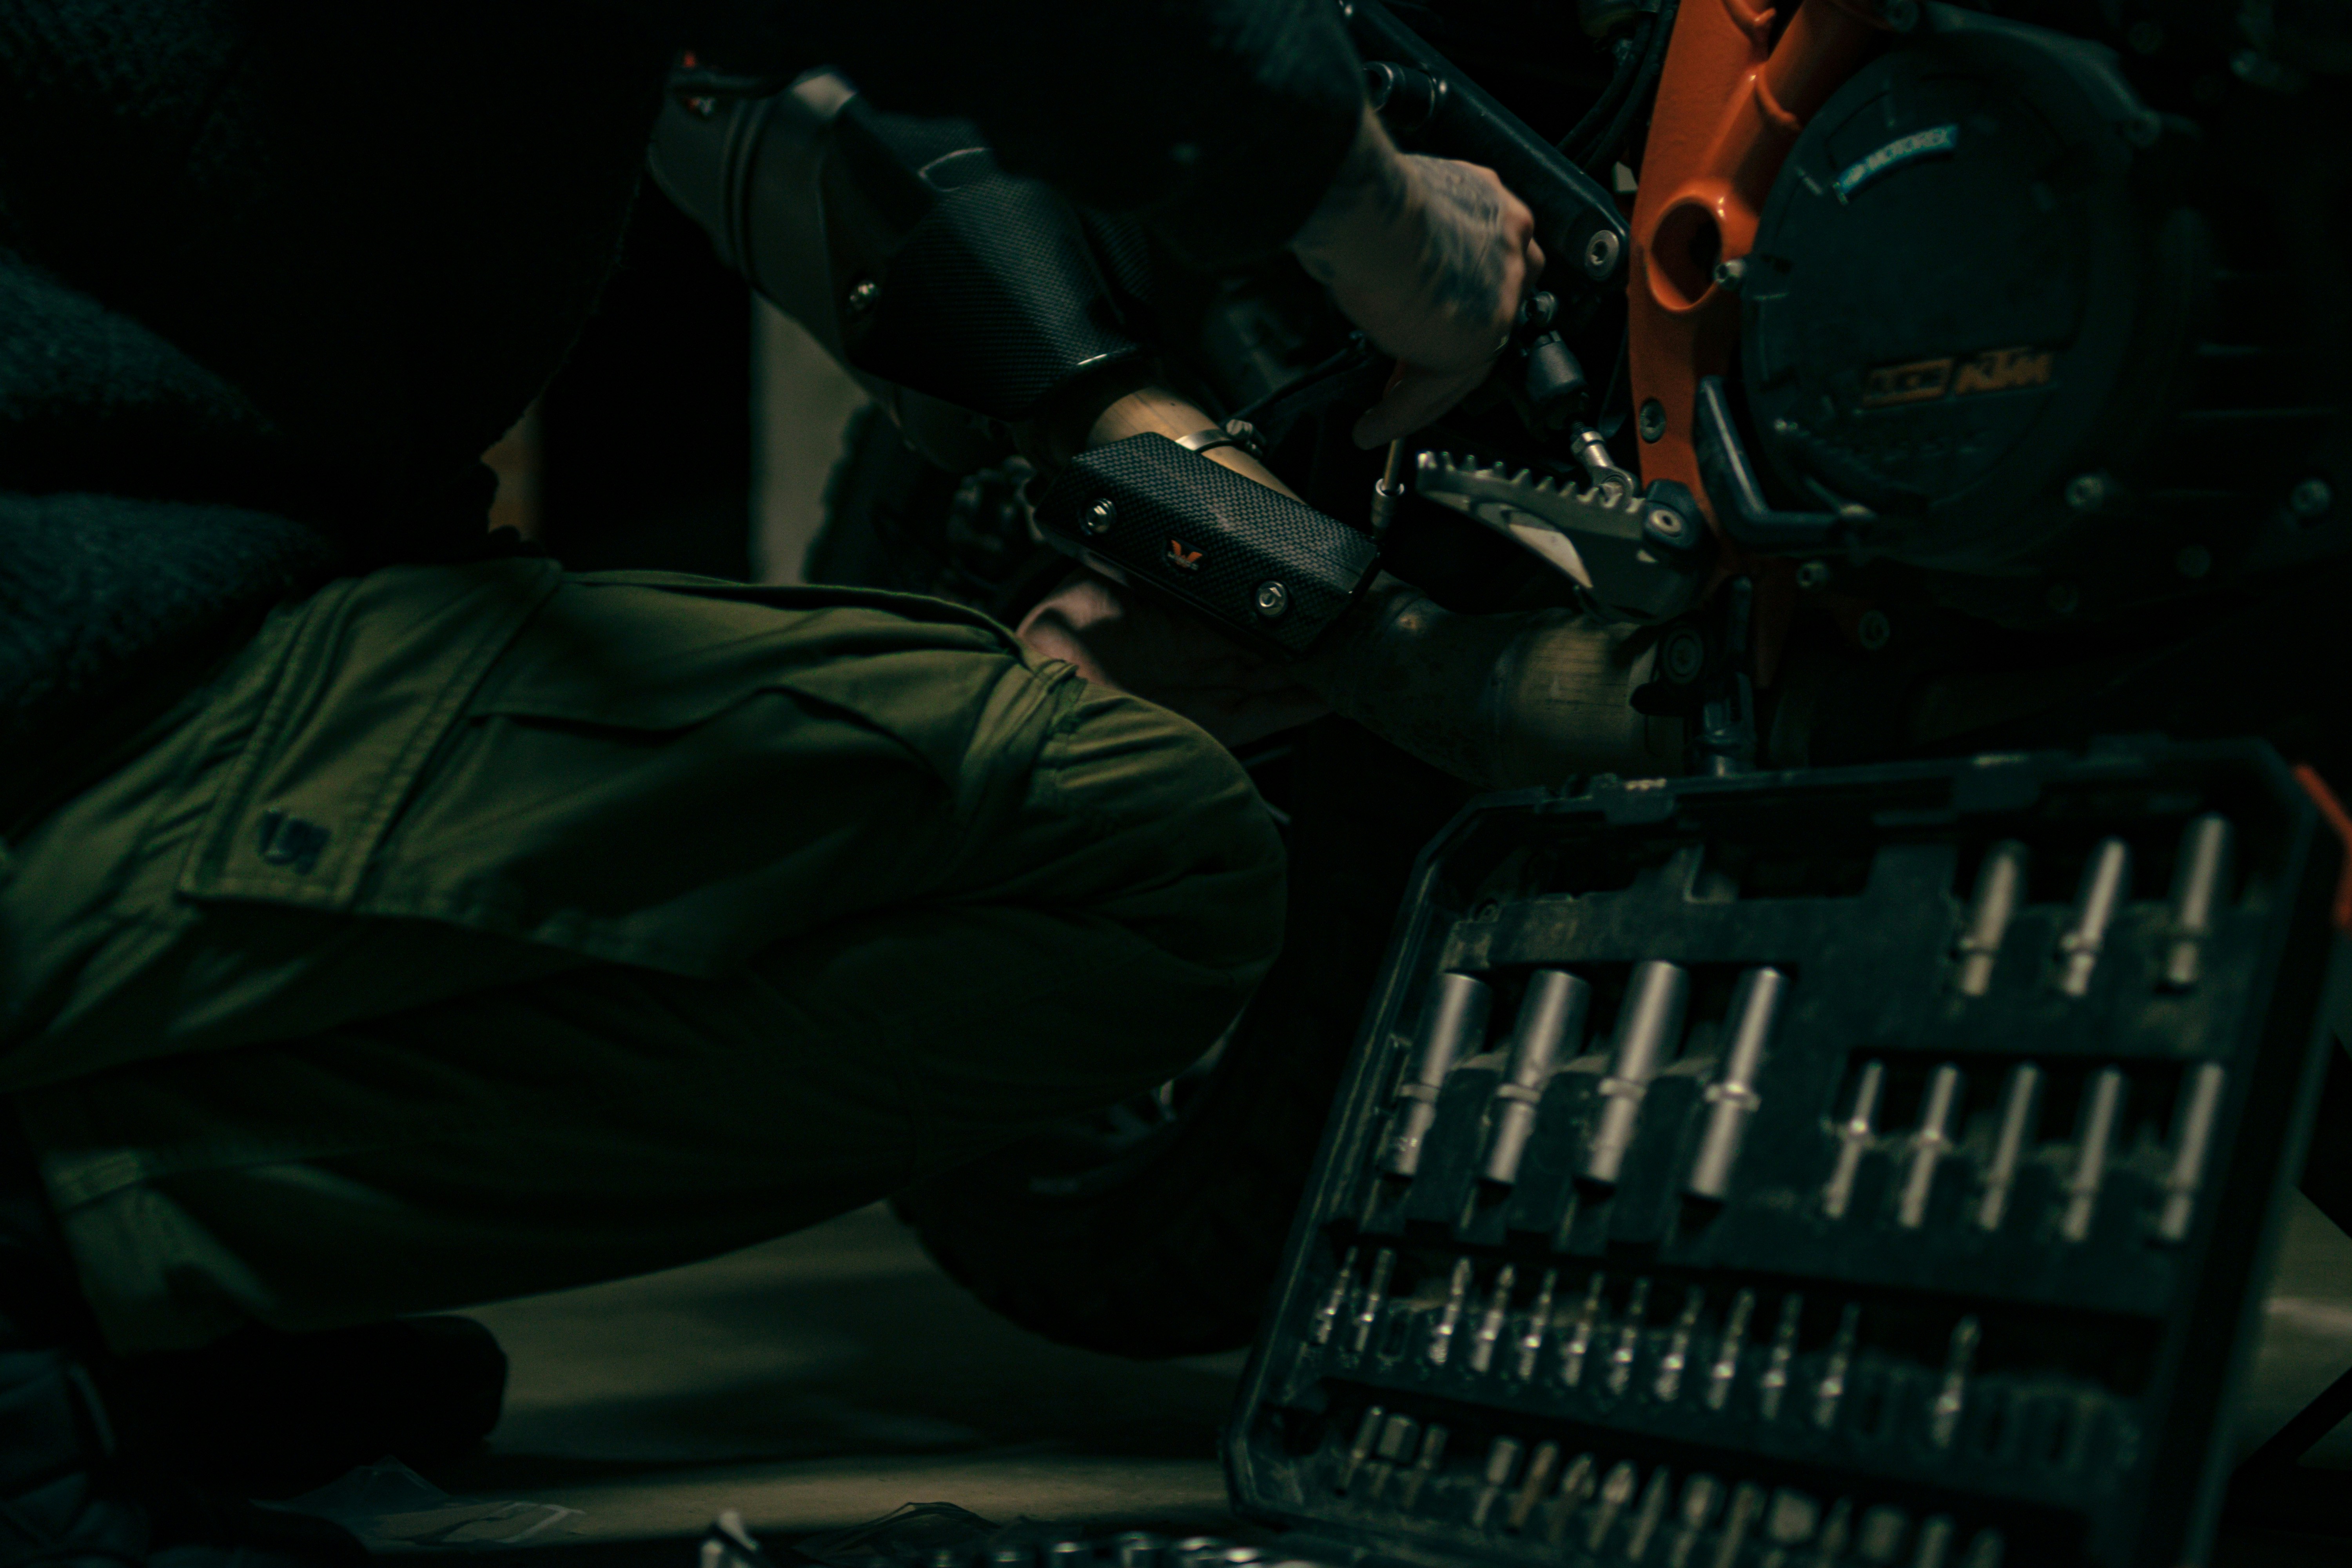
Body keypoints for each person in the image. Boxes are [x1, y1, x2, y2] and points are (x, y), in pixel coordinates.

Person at [0, 4, 1540, 1563]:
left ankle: (124, 1263)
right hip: (59, 704)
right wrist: (1376, 207)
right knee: (1152, 853)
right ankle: (56, 1231)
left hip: (89, 650)